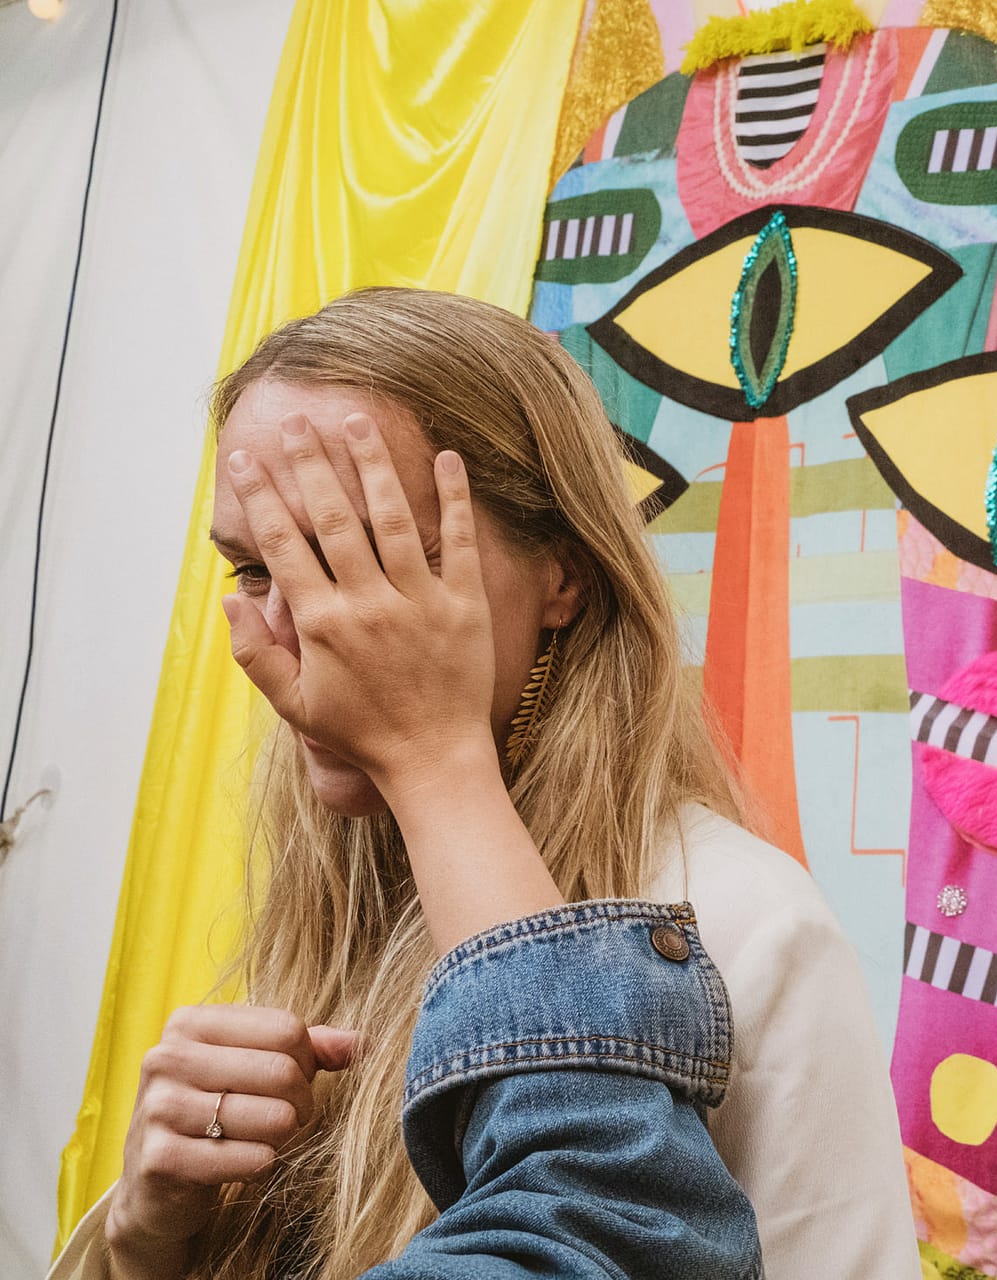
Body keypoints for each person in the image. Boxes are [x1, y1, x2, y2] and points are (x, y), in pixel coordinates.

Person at [48, 288, 918, 1279]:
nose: (296, 636)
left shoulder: (741, 929)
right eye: (255, 569)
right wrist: (145, 1245)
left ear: (564, 572)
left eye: (366, 561)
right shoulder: (343, 886)